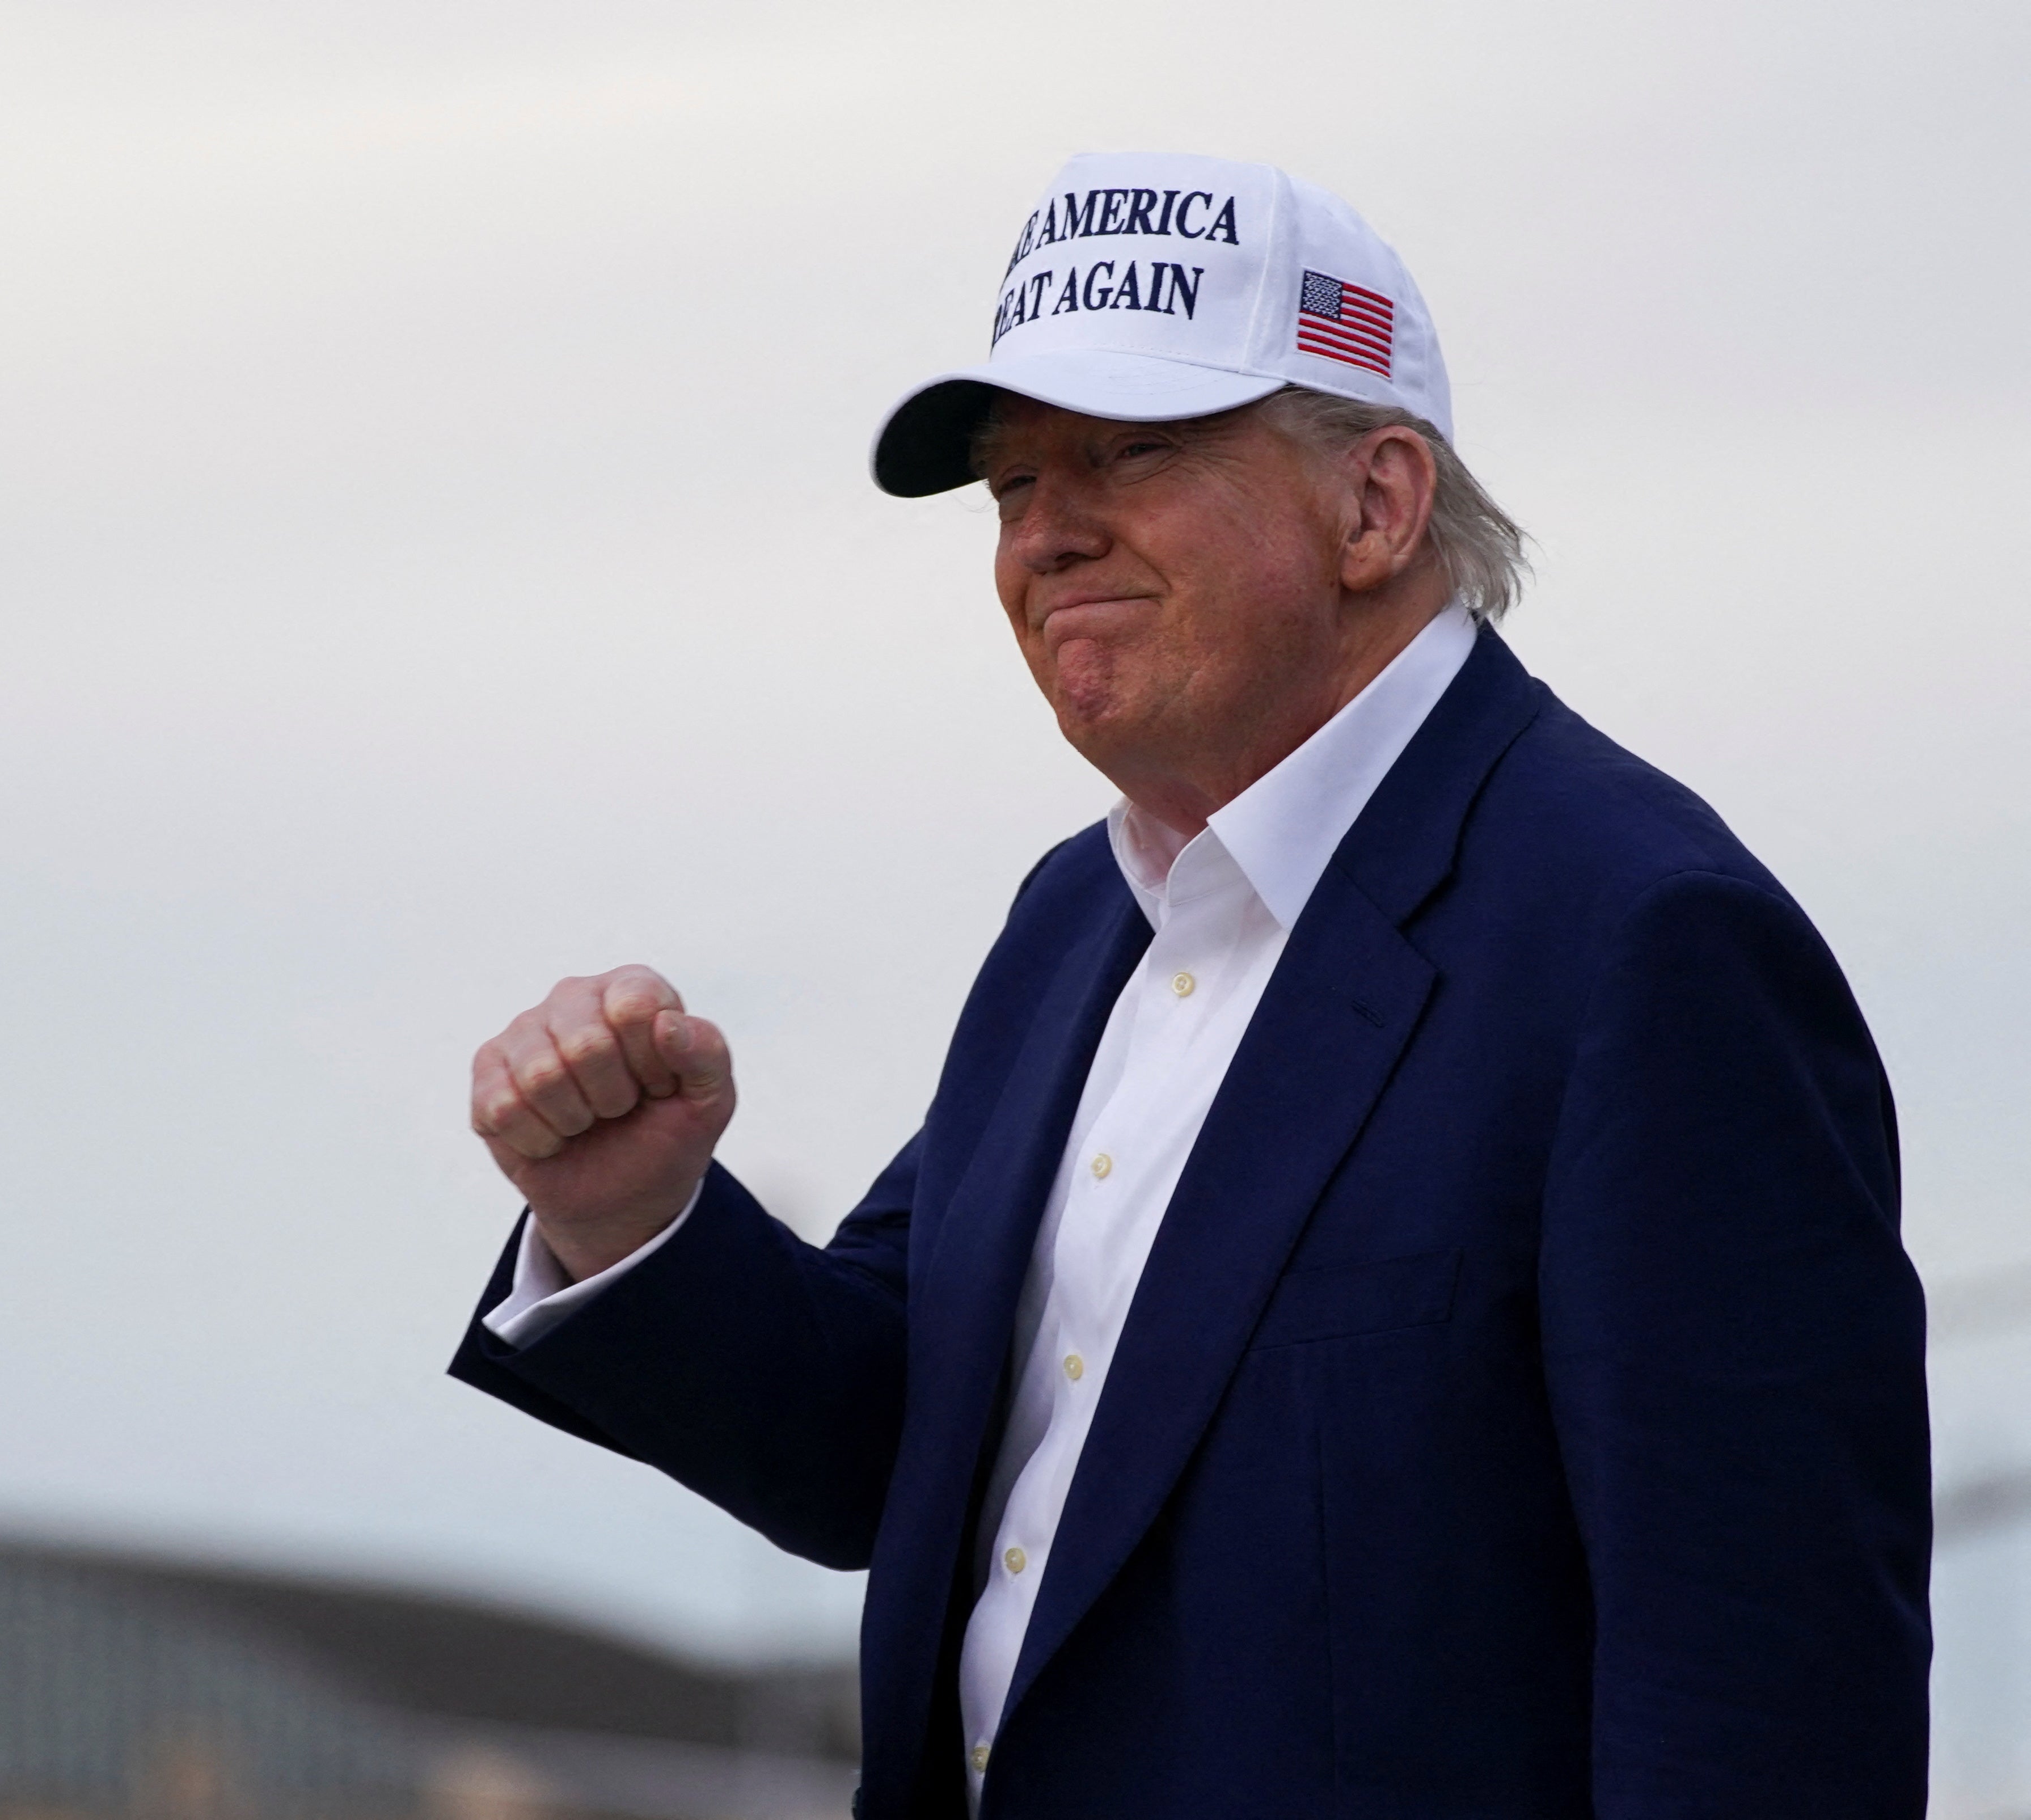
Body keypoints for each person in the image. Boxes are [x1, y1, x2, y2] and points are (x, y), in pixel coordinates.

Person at [445, 153, 1930, 1818]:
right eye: (1011, 485)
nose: (1048, 532)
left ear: (1376, 504)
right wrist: (633, 1222)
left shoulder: (1642, 944)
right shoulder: (1081, 918)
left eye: (1130, 454)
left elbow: (1762, 1695)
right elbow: (897, 1444)